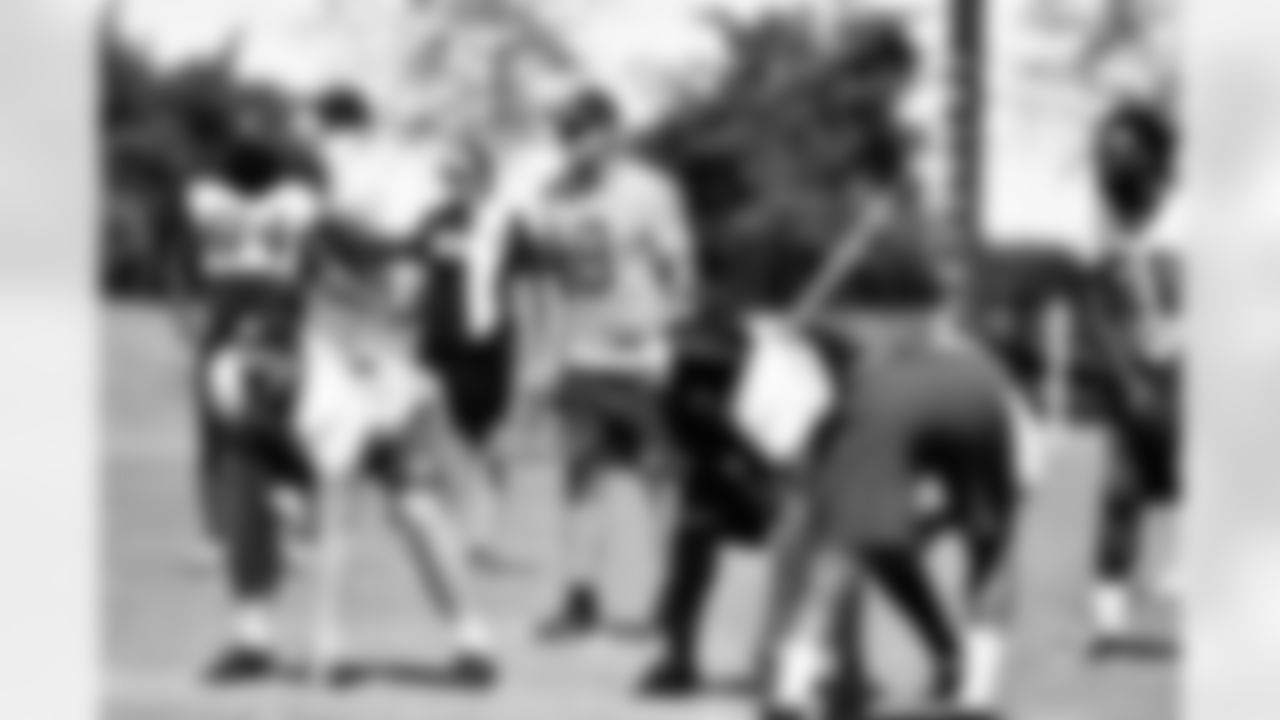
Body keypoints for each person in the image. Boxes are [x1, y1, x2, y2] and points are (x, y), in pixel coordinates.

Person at [757, 213, 1026, 720]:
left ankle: (791, 694)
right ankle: (979, 696)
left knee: (839, 552)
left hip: (891, 392)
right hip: (982, 388)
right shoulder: (953, 313)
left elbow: (793, 331)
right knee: (991, 548)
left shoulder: (848, 325)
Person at [515, 87, 697, 636]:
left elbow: (680, 270)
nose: (572, 144)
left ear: (611, 132)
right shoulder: (551, 196)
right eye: (564, 133)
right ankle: (580, 596)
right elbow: (544, 281)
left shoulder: (649, 191)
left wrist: (671, 340)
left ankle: (672, 601)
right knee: (580, 476)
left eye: (582, 131)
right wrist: (541, 352)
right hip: (579, 353)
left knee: (658, 478)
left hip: (641, 354)